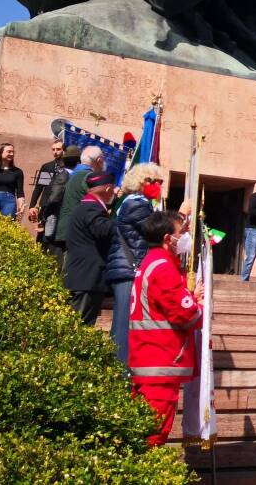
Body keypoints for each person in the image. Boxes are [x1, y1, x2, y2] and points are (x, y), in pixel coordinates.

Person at [129, 210, 204, 447]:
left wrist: (190, 297)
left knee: (147, 425)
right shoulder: (162, 266)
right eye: (181, 233)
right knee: (154, 432)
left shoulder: (153, 262)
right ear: (167, 238)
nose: (185, 238)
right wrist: (199, 305)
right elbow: (186, 313)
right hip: (159, 356)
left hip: (150, 355)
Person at [105, 163, 166, 366]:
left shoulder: (138, 203)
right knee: (123, 324)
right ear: (142, 182)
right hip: (127, 270)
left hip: (128, 269)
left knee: (127, 323)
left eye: (160, 182)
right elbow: (156, 231)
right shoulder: (136, 204)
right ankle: (119, 372)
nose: (158, 185)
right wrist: (181, 216)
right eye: (155, 181)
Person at [63, 172, 117, 326]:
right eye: (112, 189)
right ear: (108, 189)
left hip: (83, 278)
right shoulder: (91, 209)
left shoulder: (85, 207)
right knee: (79, 328)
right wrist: (125, 221)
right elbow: (105, 230)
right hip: (87, 280)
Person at [54, 145, 106, 246]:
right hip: (78, 234)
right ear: (99, 160)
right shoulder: (88, 177)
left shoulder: (74, 174)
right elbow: (101, 203)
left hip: (67, 231)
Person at [41, 146, 82, 268]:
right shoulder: (66, 176)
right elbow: (53, 198)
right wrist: (45, 215)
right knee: (55, 257)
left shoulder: (69, 175)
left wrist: (44, 213)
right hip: (58, 221)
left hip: (61, 221)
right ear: (78, 161)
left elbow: (52, 198)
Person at [27, 140, 66, 239]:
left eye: (58, 149)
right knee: (41, 237)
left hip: (60, 206)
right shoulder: (48, 167)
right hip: (45, 205)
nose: (55, 152)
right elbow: (39, 187)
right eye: (53, 149)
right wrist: (32, 205)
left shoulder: (68, 168)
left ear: (64, 150)